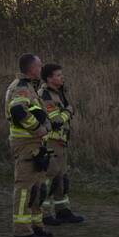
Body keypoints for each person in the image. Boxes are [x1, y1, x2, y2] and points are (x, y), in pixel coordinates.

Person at [4, 53, 52, 237]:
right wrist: (38, 128)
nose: (41, 69)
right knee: (25, 188)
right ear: (32, 69)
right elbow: (18, 110)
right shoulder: (21, 88)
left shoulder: (30, 86)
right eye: (39, 66)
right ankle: (22, 232)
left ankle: (36, 226)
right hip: (25, 144)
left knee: (37, 187)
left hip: (35, 144)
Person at [39, 63, 85, 225]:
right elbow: (56, 120)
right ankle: (43, 214)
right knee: (49, 178)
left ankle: (63, 211)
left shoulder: (60, 92)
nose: (62, 77)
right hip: (51, 142)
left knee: (61, 177)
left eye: (61, 74)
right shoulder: (45, 95)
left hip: (61, 141)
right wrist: (68, 111)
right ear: (49, 78)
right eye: (58, 75)